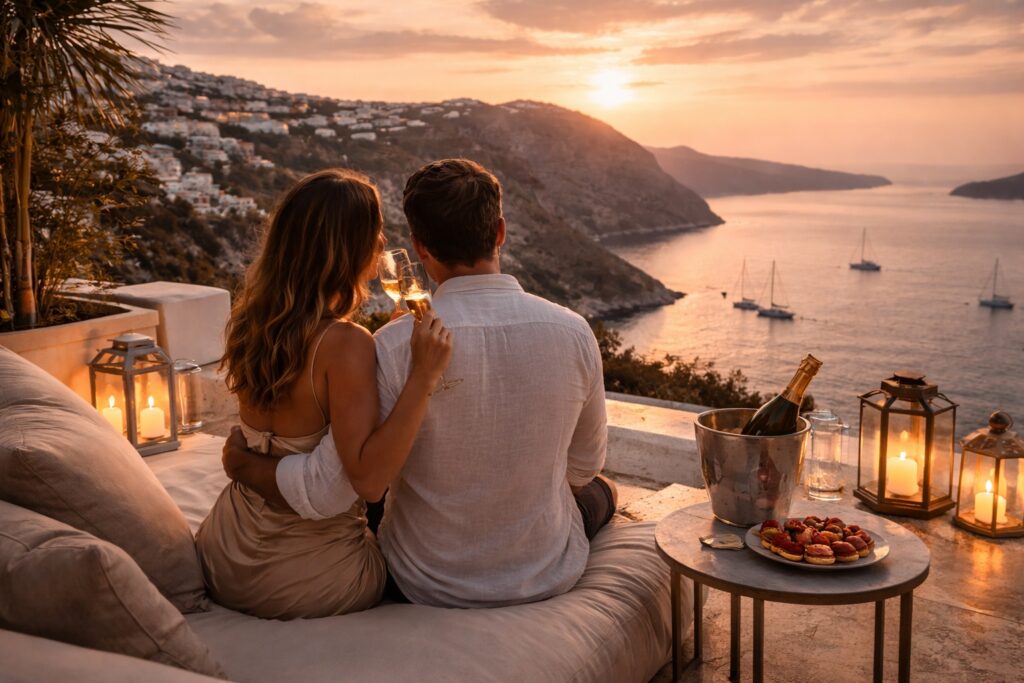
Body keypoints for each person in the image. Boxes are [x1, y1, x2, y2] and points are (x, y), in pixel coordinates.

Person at [223, 158, 616, 609]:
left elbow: (365, 477)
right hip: (546, 569)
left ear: (419, 247)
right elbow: (583, 466)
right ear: (501, 232)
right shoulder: (574, 332)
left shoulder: (388, 347)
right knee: (601, 490)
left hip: (424, 578)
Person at [196, 168, 452, 619]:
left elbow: (308, 393)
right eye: (373, 234)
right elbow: (357, 487)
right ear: (348, 249)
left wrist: (243, 464)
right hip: (306, 580)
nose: (380, 246)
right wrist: (422, 377)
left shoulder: (252, 324)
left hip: (225, 552)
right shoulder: (347, 345)